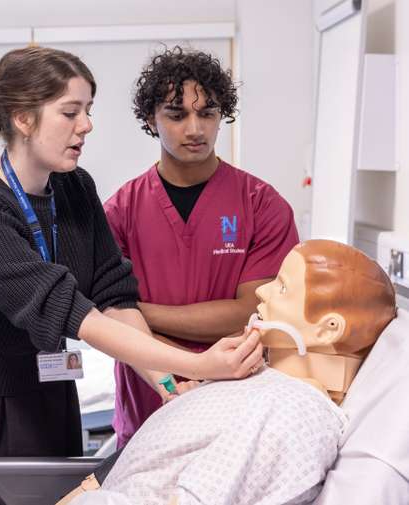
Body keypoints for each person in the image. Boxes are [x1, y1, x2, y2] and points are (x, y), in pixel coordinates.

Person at [0, 46, 264, 460]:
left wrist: (167, 382)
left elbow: (113, 296)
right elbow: (75, 315)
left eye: (88, 109)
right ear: (23, 118)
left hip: (46, 391)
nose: (86, 125)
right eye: (70, 112)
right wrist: (199, 364)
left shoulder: (74, 186)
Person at [63, 240, 397, 505]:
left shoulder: (294, 411)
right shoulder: (266, 382)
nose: (262, 292)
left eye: (281, 287)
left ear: (327, 330)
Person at [105, 46, 299, 448]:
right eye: (177, 115)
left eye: (207, 113)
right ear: (150, 119)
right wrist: (126, 324)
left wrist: (136, 315)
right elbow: (110, 325)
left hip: (238, 407)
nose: (195, 128)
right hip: (148, 404)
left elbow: (250, 312)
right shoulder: (119, 212)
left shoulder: (262, 204)